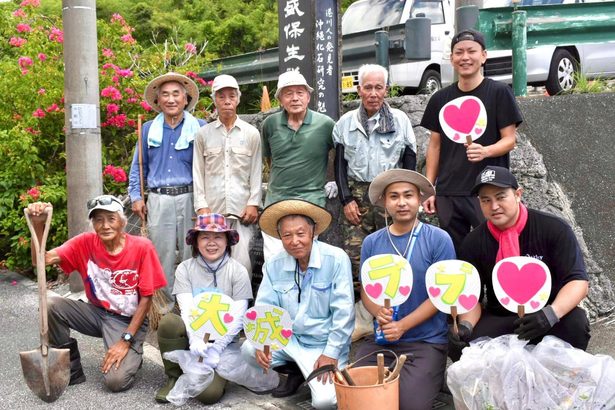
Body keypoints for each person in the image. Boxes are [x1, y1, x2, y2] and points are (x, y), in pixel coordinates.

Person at [449, 165, 590, 361]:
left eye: (500, 197)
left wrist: (550, 314)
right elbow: (473, 297)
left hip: (548, 312)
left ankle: (562, 379)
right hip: (503, 316)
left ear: (517, 194)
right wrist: (466, 326)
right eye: (486, 200)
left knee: (576, 323)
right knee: (463, 344)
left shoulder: (553, 228)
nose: (494, 206)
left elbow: (578, 282)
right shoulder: (473, 242)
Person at [27, 195, 166, 392]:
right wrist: (38, 225)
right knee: (49, 304)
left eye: (111, 218)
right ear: (93, 223)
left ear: (122, 221)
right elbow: (41, 260)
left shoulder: (142, 248)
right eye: (99, 219)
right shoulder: (85, 243)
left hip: (127, 320)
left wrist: (126, 340)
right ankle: (71, 368)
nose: (105, 225)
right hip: (96, 312)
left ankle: (133, 355)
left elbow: (147, 298)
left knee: (116, 382)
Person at [355, 169, 456, 410]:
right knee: (357, 395)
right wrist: (378, 311)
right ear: (383, 202)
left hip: (425, 341)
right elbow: (366, 290)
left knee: (408, 404)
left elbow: (441, 294)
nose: (402, 202)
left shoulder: (439, 239)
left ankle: (431, 373)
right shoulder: (372, 242)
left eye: (408, 195)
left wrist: (403, 325)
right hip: (382, 340)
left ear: (420, 199)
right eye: (394, 197)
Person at [241, 199, 355, 409]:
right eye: (287, 235)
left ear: (313, 232)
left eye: (300, 233)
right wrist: (261, 342)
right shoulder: (274, 264)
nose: (294, 241)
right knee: (249, 350)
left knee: (324, 402)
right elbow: (265, 307)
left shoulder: (336, 259)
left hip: (322, 345)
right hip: (290, 341)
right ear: (280, 238)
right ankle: (296, 371)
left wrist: (331, 353)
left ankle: (310, 371)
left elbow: (344, 313)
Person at [420, 29, 523, 253]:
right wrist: (429, 187)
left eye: (471, 51)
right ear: (452, 58)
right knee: (454, 253)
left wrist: (486, 151)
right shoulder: (439, 99)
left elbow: (510, 141)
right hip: (449, 190)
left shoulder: (499, 92)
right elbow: (435, 145)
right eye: (459, 52)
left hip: (487, 189)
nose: (465, 57)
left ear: (483, 56)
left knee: (492, 249)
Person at [333, 63, 417, 285]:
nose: (373, 94)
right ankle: (363, 306)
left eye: (378, 87)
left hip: (389, 191)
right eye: (367, 87)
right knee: (355, 256)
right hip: (357, 194)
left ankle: (395, 303)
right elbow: (339, 164)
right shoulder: (345, 123)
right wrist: (346, 199)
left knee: (394, 250)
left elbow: (409, 159)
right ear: (359, 89)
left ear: (386, 90)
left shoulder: (400, 120)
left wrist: (404, 196)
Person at [155, 213, 252, 404]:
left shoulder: (238, 271)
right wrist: (195, 339)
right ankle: (174, 376)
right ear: (196, 242)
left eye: (218, 237)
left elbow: (239, 316)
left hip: (223, 345)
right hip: (195, 338)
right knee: (169, 322)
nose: (211, 242)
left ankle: (215, 372)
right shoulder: (185, 268)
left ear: (227, 241)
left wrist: (216, 348)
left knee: (208, 395)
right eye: (205, 237)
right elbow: (187, 309)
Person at [128, 72, 206, 306]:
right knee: (160, 256)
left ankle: (191, 308)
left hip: (191, 197)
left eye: (176, 94)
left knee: (192, 254)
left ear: (185, 99)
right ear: (158, 101)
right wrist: (135, 196)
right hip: (159, 199)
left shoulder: (200, 128)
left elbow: (208, 166)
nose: (171, 99)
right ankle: (163, 311)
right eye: (165, 95)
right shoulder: (148, 129)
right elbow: (138, 166)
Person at [261, 71, 336, 260]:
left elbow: (340, 154)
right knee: (273, 260)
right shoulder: (270, 124)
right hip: (276, 201)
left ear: (308, 97)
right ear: (280, 99)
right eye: (288, 93)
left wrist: (334, 180)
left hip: (311, 201)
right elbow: (270, 160)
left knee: (306, 258)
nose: (295, 98)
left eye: (300, 93)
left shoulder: (325, 124)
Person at [192, 74, 262, 277]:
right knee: (211, 262)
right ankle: (214, 306)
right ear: (215, 100)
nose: (227, 101)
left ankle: (241, 306)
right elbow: (198, 171)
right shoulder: (203, 134)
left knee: (242, 264)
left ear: (238, 99)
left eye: (232, 96)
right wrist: (201, 205)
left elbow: (256, 170)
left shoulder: (251, 133)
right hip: (212, 211)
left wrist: (253, 202)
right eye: (221, 96)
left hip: (241, 211)